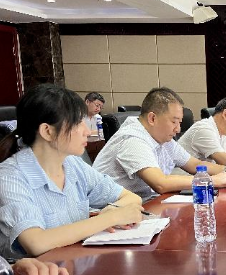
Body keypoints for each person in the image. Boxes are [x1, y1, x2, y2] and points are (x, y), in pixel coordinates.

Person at [0, 84, 144, 259]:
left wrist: (112, 210)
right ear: (47, 131)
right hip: (44, 273)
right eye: (77, 123)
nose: (87, 131)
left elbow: (130, 197)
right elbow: (36, 243)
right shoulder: (10, 177)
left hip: (79, 264)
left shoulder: (72, 164)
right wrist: (109, 219)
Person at [92, 87, 226, 201]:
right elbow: (160, 183)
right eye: (174, 122)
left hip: (144, 204)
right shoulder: (132, 139)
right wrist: (211, 180)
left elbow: (195, 164)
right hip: (111, 213)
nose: (178, 129)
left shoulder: (163, 139)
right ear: (152, 118)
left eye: (179, 122)